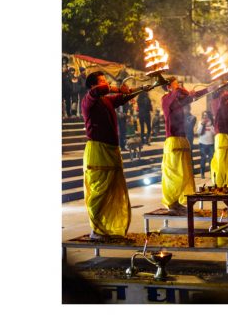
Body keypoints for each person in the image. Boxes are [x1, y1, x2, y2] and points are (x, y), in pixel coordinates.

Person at [81, 71, 152, 239]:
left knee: (111, 189)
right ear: (93, 85)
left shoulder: (106, 100)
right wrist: (118, 87)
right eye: (102, 81)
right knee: (99, 190)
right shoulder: (88, 100)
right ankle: (96, 229)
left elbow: (122, 98)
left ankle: (107, 228)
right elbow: (98, 91)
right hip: (98, 150)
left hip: (112, 149)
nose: (106, 84)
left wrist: (140, 89)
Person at [161, 77, 210, 214]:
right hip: (173, 141)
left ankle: (178, 202)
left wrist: (209, 89)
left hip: (182, 140)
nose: (179, 85)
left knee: (185, 173)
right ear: (169, 87)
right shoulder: (166, 99)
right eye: (175, 83)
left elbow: (193, 97)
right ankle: (172, 202)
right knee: (175, 174)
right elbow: (180, 93)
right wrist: (182, 90)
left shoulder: (178, 100)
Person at [196, 111, 215, 179]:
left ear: (209, 116)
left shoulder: (212, 123)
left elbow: (214, 132)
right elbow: (198, 132)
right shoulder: (200, 122)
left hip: (211, 144)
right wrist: (202, 124)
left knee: (211, 160)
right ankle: (202, 174)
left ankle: (212, 174)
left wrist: (210, 126)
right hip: (202, 144)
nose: (205, 117)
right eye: (204, 115)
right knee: (203, 160)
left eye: (206, 115)